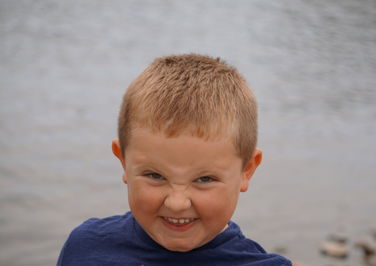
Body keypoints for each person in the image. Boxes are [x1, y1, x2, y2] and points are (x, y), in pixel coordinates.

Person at [57, 54, 292, 266]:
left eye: (204, 178)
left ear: (247, 170)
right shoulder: (85, 247)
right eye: (155, 175)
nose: (177, 203)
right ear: (123, 161)